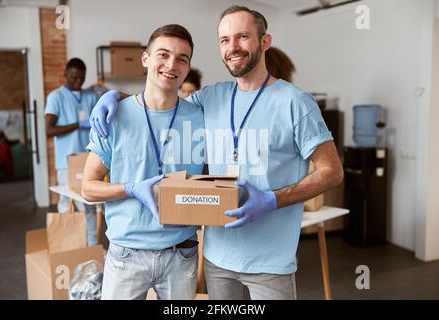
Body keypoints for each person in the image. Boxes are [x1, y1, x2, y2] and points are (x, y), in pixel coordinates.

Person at [90, 5, 343, 300]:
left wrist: (272, 200)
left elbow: (332, 171)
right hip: (217, 257)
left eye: (242, 37)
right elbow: (160, 97)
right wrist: (113, 97)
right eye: (225, 40)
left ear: (264, 41)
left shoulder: (296, 102)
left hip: (271, 262)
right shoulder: (209, 98)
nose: (232, 47)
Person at [81, 24, 205, 300]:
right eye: (163, 54)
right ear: (145, 59)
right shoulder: (115, 117)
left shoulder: (201, 117)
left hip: (181, 252)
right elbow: (88, 188)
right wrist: (131, 188)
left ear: (187, 67)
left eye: (182, 58)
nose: (172, 64)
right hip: (127, 253)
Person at [45, 57, 98, 246]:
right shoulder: (56, 97)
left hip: (87, 160)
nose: (77, 82)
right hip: (66, 163)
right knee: (66, 204)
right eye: (74, 77)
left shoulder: (91, 96)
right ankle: (66, 246)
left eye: (81, 78)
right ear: (65, 74)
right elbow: (48, 130)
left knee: (88, 205)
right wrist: (78, 125)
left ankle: (92, 248)